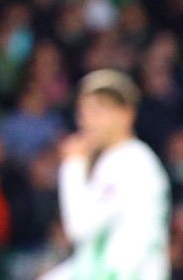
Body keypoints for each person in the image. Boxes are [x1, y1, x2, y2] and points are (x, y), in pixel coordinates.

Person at [39, 69, 171, 280]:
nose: (89, 120)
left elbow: (79, 225)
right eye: (84, 111)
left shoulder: (133, 162)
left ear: (126, 114)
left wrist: (73, 164)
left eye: (100, 110)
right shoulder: (113, 161)